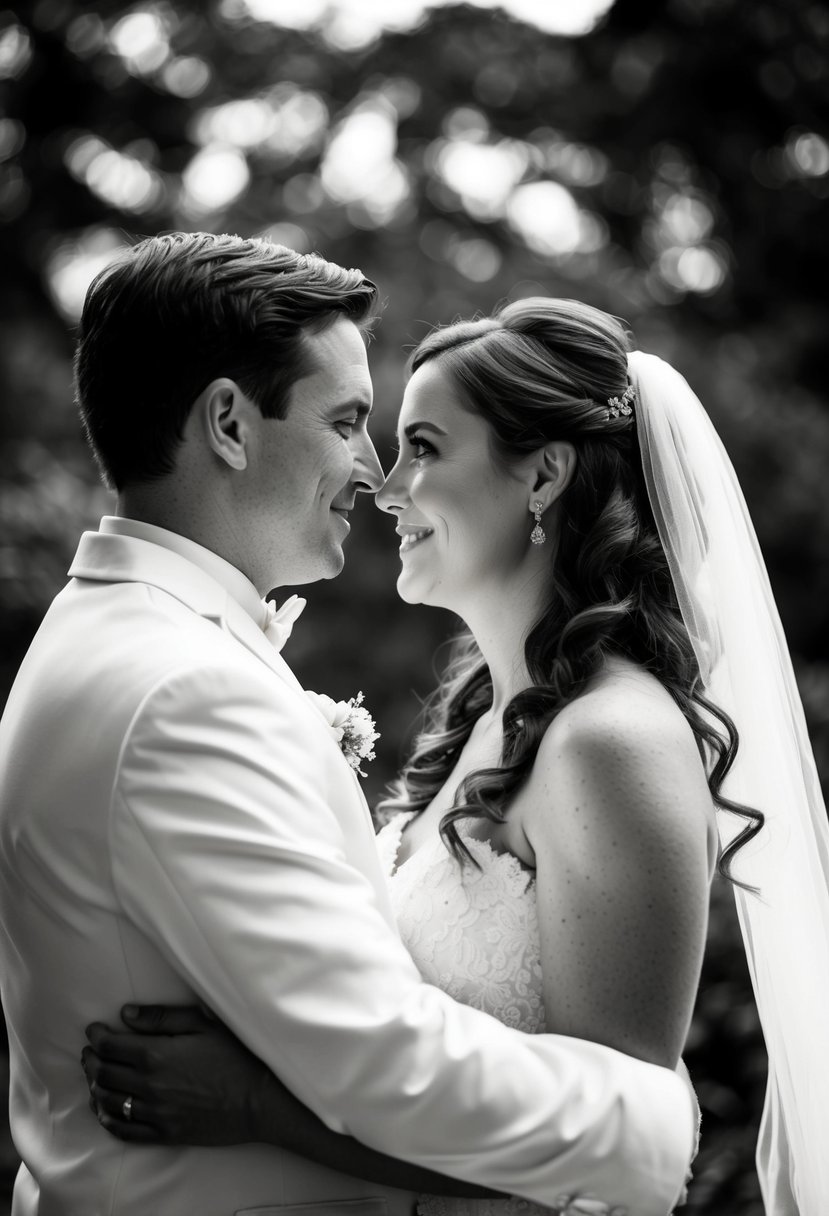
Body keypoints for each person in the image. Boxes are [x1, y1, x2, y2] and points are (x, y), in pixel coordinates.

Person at [83, 296, 829, 1215]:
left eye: (424, 449)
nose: (385, 488)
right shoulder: (485, 716)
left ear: (543, 476)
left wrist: (259, 1109)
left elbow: (613, 1156)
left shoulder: (610, 743)